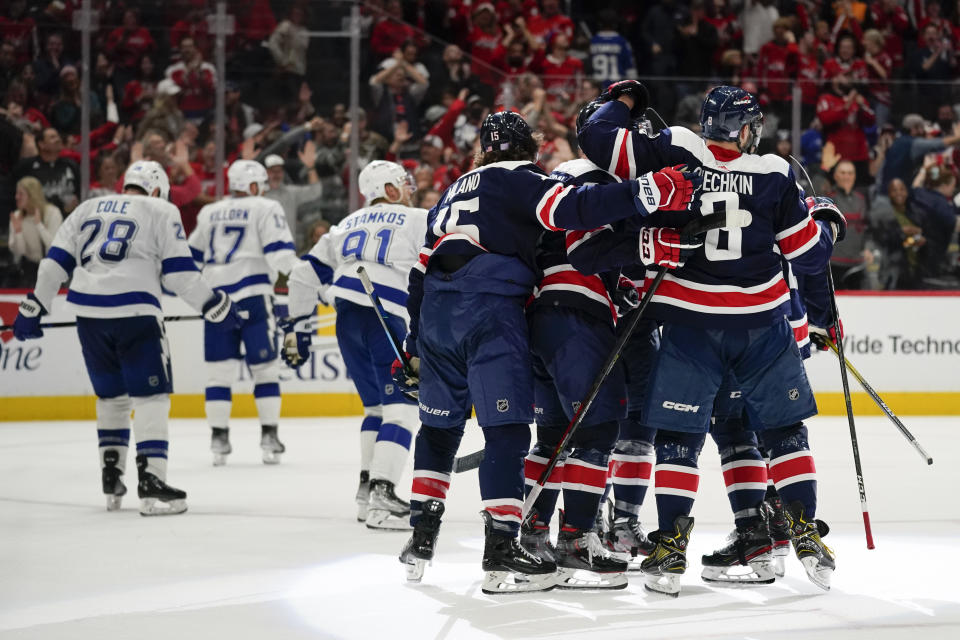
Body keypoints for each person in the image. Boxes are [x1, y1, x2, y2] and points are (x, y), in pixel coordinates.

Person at [395, 110, 699, 594]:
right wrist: (649, 192)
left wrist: (413, 345)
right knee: (511, 430)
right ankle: (511, 547)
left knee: (439, 427)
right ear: (527, 149)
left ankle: (421, 537)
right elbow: (574, 215)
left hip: (436, 313)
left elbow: (418, 273)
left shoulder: (453, 189)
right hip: (495, 309)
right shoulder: (522, 178)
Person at [578, 83, 844, 596]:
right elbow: (809, 256)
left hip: (689, 325)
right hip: (763, 326)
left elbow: (595, 136)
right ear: (745, 129)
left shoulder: (676, 147)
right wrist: (828, 223)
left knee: (679, 439)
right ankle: (805, 530)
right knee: (785, 431)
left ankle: (671, 546)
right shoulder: (775, 171)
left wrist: (623, 101)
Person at [12, 160, 241, 515]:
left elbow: (54, 264)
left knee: (111, 396)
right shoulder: (160, 209)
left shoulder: (88, 206)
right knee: (151, 397)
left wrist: (35, 306)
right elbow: (180, 275)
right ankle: (151, 482)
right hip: (135, 313)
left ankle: (111, 474)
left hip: (87, 314)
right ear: (155, 190)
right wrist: (215, 305)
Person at [283, 160, 426, 530]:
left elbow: (301, 276)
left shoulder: (345, 223)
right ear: (390, 191)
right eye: (403, 185)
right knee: (403, 410)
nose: (410, 190)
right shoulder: (417, 219)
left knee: (376, 408)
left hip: (347, 317)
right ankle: (383, 494)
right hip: (386, 314)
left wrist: (297, 328)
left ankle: (366, 492)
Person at [188, 160, 298, 466]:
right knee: (265, 369)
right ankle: (269, 436)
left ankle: (219, 439)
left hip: (216, 300)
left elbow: (190, 258)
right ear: (252, 186)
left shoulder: (209, 211)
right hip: (252, 296)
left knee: (218, 373)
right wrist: (304, 279)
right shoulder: (266, 206)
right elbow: (280, 253)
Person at [8, 176, 62, 284]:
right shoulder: (17, 216)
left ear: (32, 195)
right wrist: (18, 232)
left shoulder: (52, 213)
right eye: (16, 193)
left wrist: (39, 225)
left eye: (21, 193)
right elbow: (20, 252)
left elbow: (54, 247)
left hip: (52, 270)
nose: (16, 197)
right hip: (29, 272)